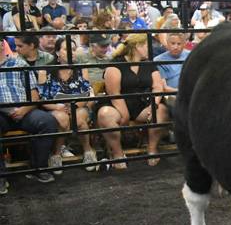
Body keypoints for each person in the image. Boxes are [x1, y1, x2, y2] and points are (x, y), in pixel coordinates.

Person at [96, 33, 169, 168]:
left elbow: (157, 87)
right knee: (105, 114)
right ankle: (118, 153)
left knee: (161, 112)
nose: (150, 49)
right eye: (147, 46)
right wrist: (124, 116)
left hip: (143, 102)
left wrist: (154, 104)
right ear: (138, 46)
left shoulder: (148, 64)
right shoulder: (115, 65)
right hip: (118, 103)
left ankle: (152, 149)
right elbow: (114, 94)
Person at [1, 49, 60, 187]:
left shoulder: (19, 63)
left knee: (47, 121)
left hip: (25, 110)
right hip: (1, 113)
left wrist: (24, 109)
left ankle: (38, 167)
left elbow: (34, 94)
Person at [39, 37, 98, 172]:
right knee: (63, 119)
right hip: (55, 107)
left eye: (73, 49)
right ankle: (56, 154)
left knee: (79, 119)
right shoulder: (45, 71)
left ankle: (88, 151)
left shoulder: (81, 69)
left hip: (78, 106)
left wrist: (75, 106)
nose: (71, 52)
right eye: (67, 49)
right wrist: (58, 107)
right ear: (58, 52)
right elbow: (42, 99)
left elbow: (87, 93)